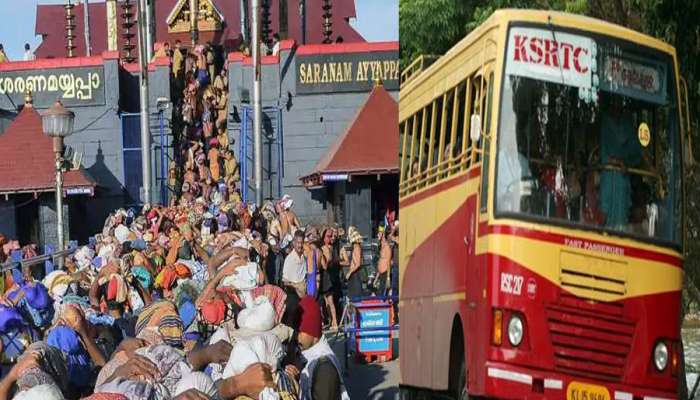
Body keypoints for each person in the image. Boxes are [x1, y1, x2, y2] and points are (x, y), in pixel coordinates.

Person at [599, 95, 641, 229]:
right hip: (608, 175)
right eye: (613, 103)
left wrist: (625, 163)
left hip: (622, 179)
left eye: (618, 103)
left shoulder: (628, 125)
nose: (616, 107)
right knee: (604, 215)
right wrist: (615, 161)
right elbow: (603, 153)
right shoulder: (605, 123)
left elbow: (637, 154)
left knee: (621, 221)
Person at [296, 296, 349, 400]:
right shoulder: (309, 355)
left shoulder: (324, 368)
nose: (297, 336)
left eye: (300, 331)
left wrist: (296, 389)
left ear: (314, 333)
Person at [319, 227, 339, 331]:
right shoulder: (329, 247)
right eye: (328, 236)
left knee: (330, 301)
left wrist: (323, 261)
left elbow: (326, 265)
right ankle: (332, 321)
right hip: (328, 276)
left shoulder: (326, 248)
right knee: (327, 301)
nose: (330, 238)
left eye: (331, 236)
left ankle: (334, 321)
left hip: (327, 276)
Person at [283, 230, 307, 297]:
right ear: (294, 243)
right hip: (293, 294)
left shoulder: (304, 256)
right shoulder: (289, 259)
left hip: (304, 292)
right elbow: (285, 281)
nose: (300, 245)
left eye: (302, 243)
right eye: (298, 243)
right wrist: (296, 286)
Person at [344, 227, 364, 300]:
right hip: (354, 274)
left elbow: (358, 263)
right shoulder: (355, 247)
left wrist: (349, 272)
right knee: (353, 297)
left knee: (355, 297)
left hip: (355, 274)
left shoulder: (357, 248)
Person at [373, 226, 391, 296]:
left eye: (379, 233)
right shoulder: (381, 246)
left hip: (385, 275)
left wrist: (388, 278)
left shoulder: (387, 247)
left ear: (383, 234)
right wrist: (376, 278)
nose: (377, 235)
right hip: (380, 274)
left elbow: (388, 263)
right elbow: (380, 263)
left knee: (382, 296)